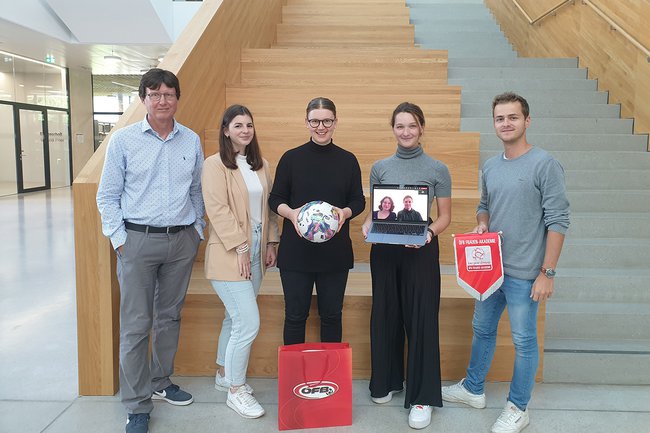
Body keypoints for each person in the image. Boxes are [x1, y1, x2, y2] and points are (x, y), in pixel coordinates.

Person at [441, 92, 570, 433]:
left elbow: (558, 221)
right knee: (482, 329)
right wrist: (482, 222)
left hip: (526, 273)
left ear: (527, 121)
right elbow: (485, 204)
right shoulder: (491, 165)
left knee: (524, 341)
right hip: (490, 270)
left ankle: (518, 407)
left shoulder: (545, 164)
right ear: (494, 123)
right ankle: (473, 389)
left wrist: (548, 273)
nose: (506, 123)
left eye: (513, 117)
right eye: (500, 118)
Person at [96, 68, 205, 433]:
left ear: (177, 99)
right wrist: (121, 240)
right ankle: (137, 404)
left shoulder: (190, 140)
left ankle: (160, 381)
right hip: (137, 241)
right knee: (135, 326)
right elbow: (107, 195)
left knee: (169, 318)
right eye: (155, 94)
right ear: (143, 98)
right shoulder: (124, 140)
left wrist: (197, 230)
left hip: (181, 240)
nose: (162, 101)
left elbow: (196, 191)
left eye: (169, 94)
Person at [361, 102, 452, 430]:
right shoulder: (380, 167)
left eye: (412, 125)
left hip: (421, 249)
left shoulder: (438, 169)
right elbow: (375, 211)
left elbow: (444, 217)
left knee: (421, 318)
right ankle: (386, 380)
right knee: (386, 312)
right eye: (400, 126)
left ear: (422, 127)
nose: (406, 132)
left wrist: (428, 233)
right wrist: (367, 224)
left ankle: (422, 396)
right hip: (385, 251)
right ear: (393, 129)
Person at [201, 105, 280, 419]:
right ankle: (236, 389)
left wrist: (271, 241)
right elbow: (217, 210)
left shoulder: (261, 165)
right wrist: (242, 247)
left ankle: (224, 374)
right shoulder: (214, 165)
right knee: (248, 322)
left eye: (249, 125)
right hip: (230, 252)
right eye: (238, 125)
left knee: (234, 319)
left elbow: (270, 208)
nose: (245, 130)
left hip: (259, 249)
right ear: (225, 130)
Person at [269, 97, 365, 345]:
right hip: (296, 253)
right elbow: (275, 198)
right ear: (306, 122)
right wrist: (291, 214)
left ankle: (330, 378)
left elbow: (358, 201)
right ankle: (295, 381)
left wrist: (344, 213)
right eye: (315, 121)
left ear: (335, 122)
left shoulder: (348, 160)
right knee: (294, 316)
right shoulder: (291, 158)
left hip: (334, 254)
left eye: (327, 121)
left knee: (332, 316)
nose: (321, 126)